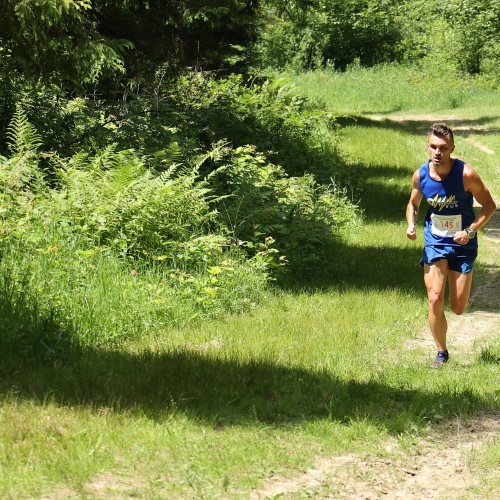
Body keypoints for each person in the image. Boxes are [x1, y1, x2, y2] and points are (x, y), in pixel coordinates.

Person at [406, 123, 496, 367]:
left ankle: (464, 277)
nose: (437, 152)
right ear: (428, 147)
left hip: (462, 243)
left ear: (451, 148)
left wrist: (469, 231)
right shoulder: (421, 175)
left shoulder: (466, 174)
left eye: (443, 148)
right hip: (435, 240)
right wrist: (411, 225)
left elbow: (489, 205)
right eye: (433, 147)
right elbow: (413, 204)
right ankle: (441, 352)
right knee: (435, 297)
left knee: (457, 307)